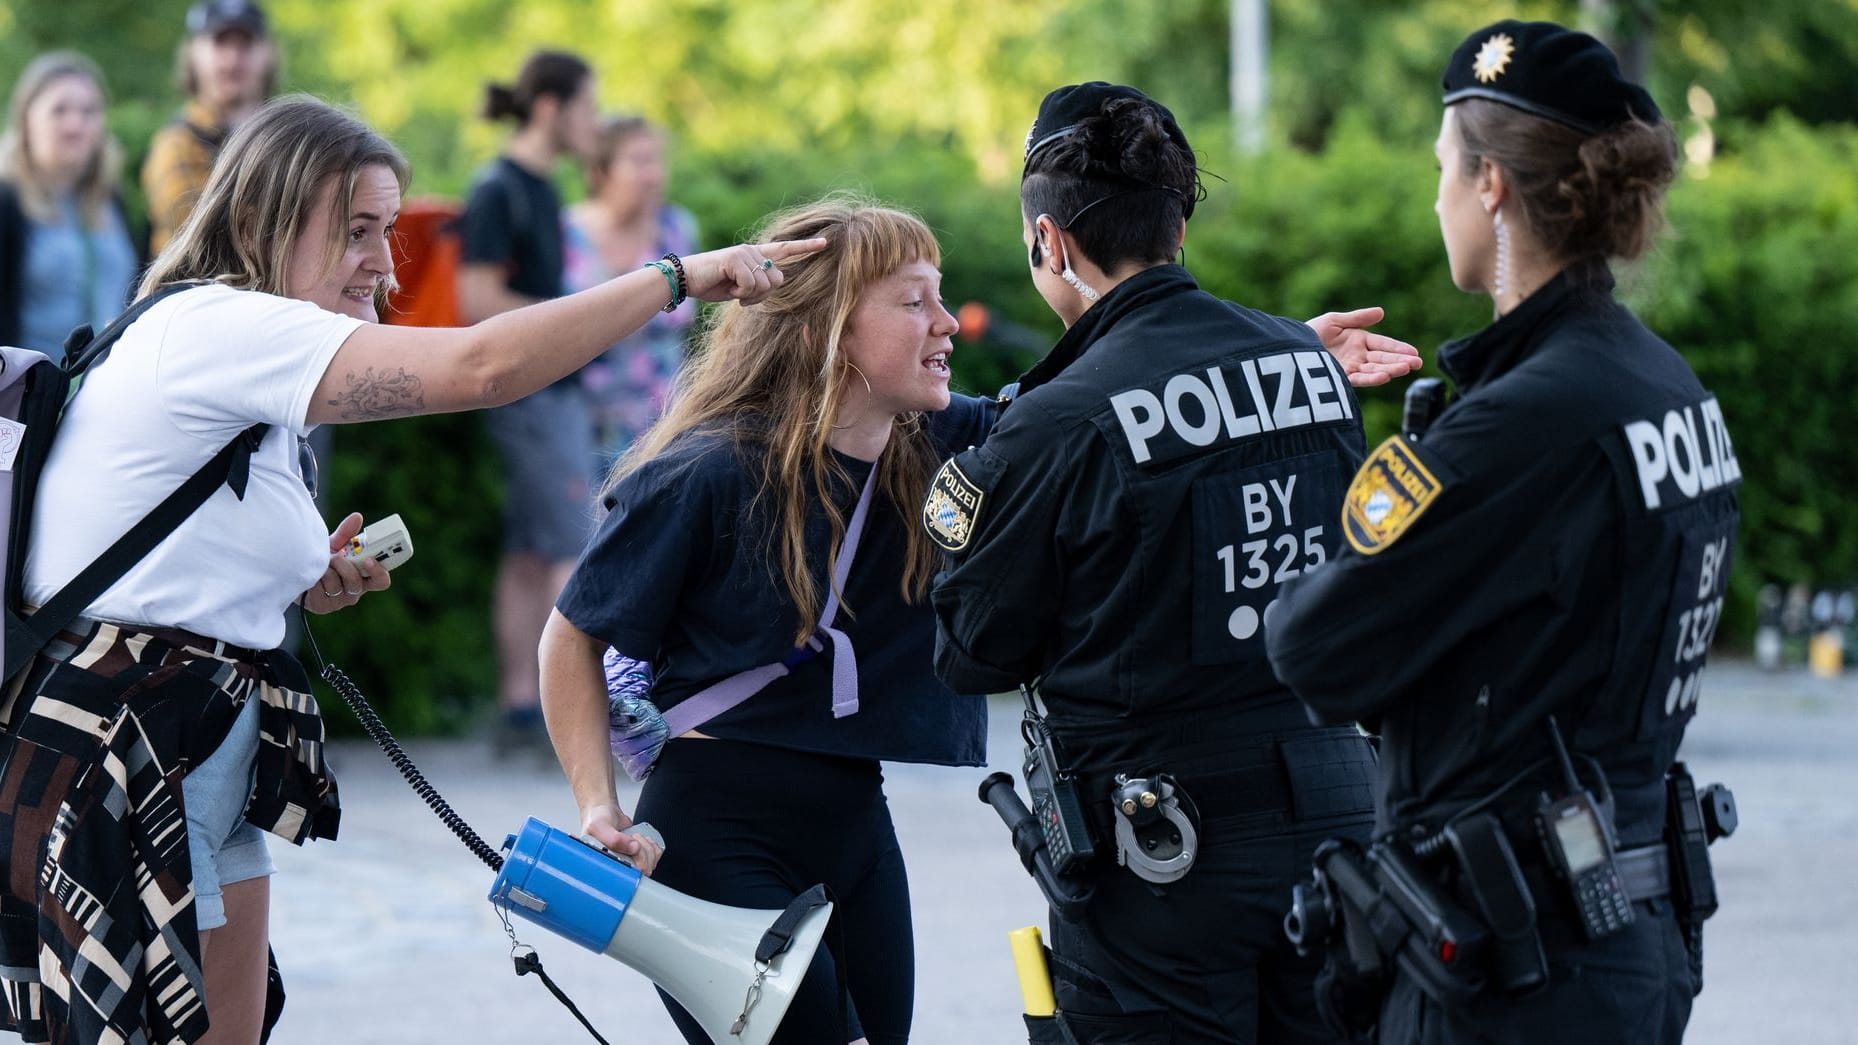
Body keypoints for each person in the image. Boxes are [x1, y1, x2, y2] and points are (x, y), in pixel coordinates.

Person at [0, 93, 814, 1045]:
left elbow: (167, 561)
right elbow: (480, 369)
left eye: (387, 230)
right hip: (132, 749)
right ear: (263, 220)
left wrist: (309, 579)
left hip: (184, 747)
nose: (385, 266)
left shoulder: (236, 359)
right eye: (356, 231)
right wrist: (676, 278)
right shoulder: (219, 327)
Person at [1265, 22, 1732, 1045]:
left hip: (1511, 972)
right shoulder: (1664, 386)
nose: (1435, 196)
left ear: (1489, 186)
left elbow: (1313, 648)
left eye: (1443, 168)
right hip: (1628, 932)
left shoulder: (1522, 422)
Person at [925, 82, 1421, 1045]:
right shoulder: (1305, 364)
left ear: (1049, 244)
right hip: (1337, 819)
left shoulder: (1055, 418)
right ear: (1177, 228)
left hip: (1162, 859)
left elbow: (975, 652)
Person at [541, 196, 993, 1045]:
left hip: (858, 818)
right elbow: (571, 635)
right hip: (713, 828)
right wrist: (600, 808)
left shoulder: (932, 440)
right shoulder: (706, 470)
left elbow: (1077, 413)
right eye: (913, 300)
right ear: (830, 325)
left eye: (941, 297)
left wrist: (1279, 350)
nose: (945, 323)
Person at [455, 50, 603, 755]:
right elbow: (476, 300)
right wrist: (571, 318)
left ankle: (521, 707)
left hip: (551, 390)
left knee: (527, 551)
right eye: (587, 107)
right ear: (550, 107)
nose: (594, 124)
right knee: (569, 548)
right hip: (533, 396)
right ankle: (562, 716)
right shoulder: (499, 190)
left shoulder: (541, 188)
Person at [563, 114, 700, 465]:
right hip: (580, 423)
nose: (653, 174)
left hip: (666, 424)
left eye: (656, 161)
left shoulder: (677, 229)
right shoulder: (566, 233)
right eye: (639, 161)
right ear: (601, 170)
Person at [0, 51, 141, 359]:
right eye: (59, 111)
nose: (75, 125)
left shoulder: (109, 199)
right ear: (26, 119)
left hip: (105, 389)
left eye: (89, 112)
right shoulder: (7, 201)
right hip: (27, 395)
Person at [141, 0, 278, 256]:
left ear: (268, 53)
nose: (233, 58)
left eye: (245, 44)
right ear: (194, 54)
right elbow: (197, 239)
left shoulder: (287, 138)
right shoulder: (176, 143)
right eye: (220, 43)